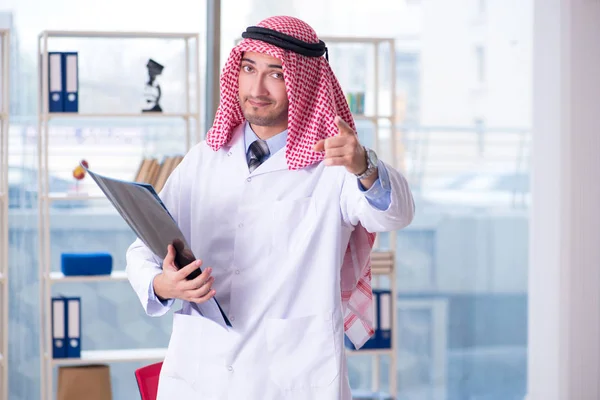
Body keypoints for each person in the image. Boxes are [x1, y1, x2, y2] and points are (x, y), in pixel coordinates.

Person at [126, 15, 415, 400]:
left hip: (290, 380)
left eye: (275, 74)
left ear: (302, 81)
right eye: (248, 68)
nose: (257, 87)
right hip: (199, 376)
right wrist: (162, 284)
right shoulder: (204, 160)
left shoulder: (334, 165)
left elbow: (395, 214)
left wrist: (365, 165)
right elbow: (143, 247)